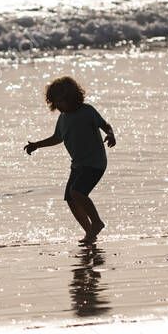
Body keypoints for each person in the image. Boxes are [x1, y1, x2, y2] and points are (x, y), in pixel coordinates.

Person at [24, 76, 115, 243]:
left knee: (77, 192)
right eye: (55, 103)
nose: (57, 106)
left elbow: (105, 125)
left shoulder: (87, 111)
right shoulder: (63, 118)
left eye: (60, 102)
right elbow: (57, 138)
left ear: (71, 97)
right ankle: (90, 232)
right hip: (78, 165)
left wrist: (110, 134)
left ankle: (97, 222)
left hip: (95, 163)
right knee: (71, 199)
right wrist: (37, 145)